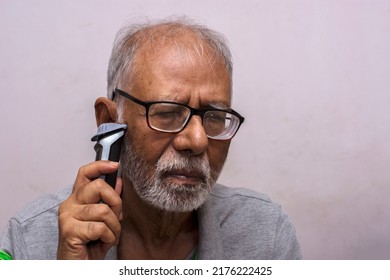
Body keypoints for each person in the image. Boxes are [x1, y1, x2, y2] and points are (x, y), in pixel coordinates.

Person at [0, 17, 302, 260]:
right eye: (167, 112)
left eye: (214, 117)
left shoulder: (266, 235)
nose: (197, 141)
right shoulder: (30, 239)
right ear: (109, 120)